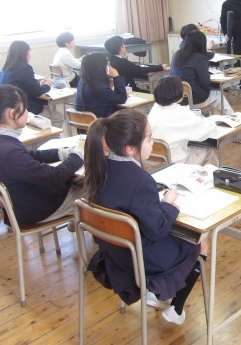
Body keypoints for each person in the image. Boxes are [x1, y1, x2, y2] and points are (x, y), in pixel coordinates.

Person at [83, 109, 206, 325]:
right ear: (130, 149)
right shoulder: (141, 181)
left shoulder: (100, 169)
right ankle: (176, 307)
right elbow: (158, 229)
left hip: (115, 255)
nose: (152, 143)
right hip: (139, 261)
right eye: (148, 139)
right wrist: (167, 204)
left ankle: (157, 295)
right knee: (201, 240)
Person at [0, 85, 84, 227]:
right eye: (25, 108)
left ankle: (78, 221)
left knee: (81, 181)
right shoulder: (8, 151)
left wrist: (61, 153)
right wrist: (77, 155)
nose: (27, 112)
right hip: (38, 208)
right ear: (12, 113)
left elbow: (28, 156)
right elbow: (54, 177)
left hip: (21, 203)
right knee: (97, 190)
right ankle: (88, 228)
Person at [148, 76, 219, 166]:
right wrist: (203, 119)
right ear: (179, 94)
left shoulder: (154, 109)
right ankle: (212, 174)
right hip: (177, 164)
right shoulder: (181, 112)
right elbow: (208, 130)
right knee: (207, 149)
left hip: (154, 162)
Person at [170, 30, 234, 115]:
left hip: (177, 98)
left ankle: (214, 117)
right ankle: (232, 117)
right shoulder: (199, 58)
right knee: (217, 93)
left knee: (213, 95)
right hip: (194, 99)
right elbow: (205, 83)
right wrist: (215, 84)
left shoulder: (176, 55)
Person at [0, 40, 53, 115]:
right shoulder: (25, 68)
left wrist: (39, 84)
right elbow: (37, 92)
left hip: (11, 108)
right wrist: (47, 85)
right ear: (25, 53)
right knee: (55, 115)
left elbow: (24, 85)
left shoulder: (6, 69)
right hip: (26, 108)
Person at [75, 52, 127, 118]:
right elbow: (121, 99)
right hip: (100, 122)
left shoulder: (83, 80)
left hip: (84, 121)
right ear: (101, 67)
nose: (109, 67)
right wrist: (116, 77)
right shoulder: (99, 88)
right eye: (107, 64)